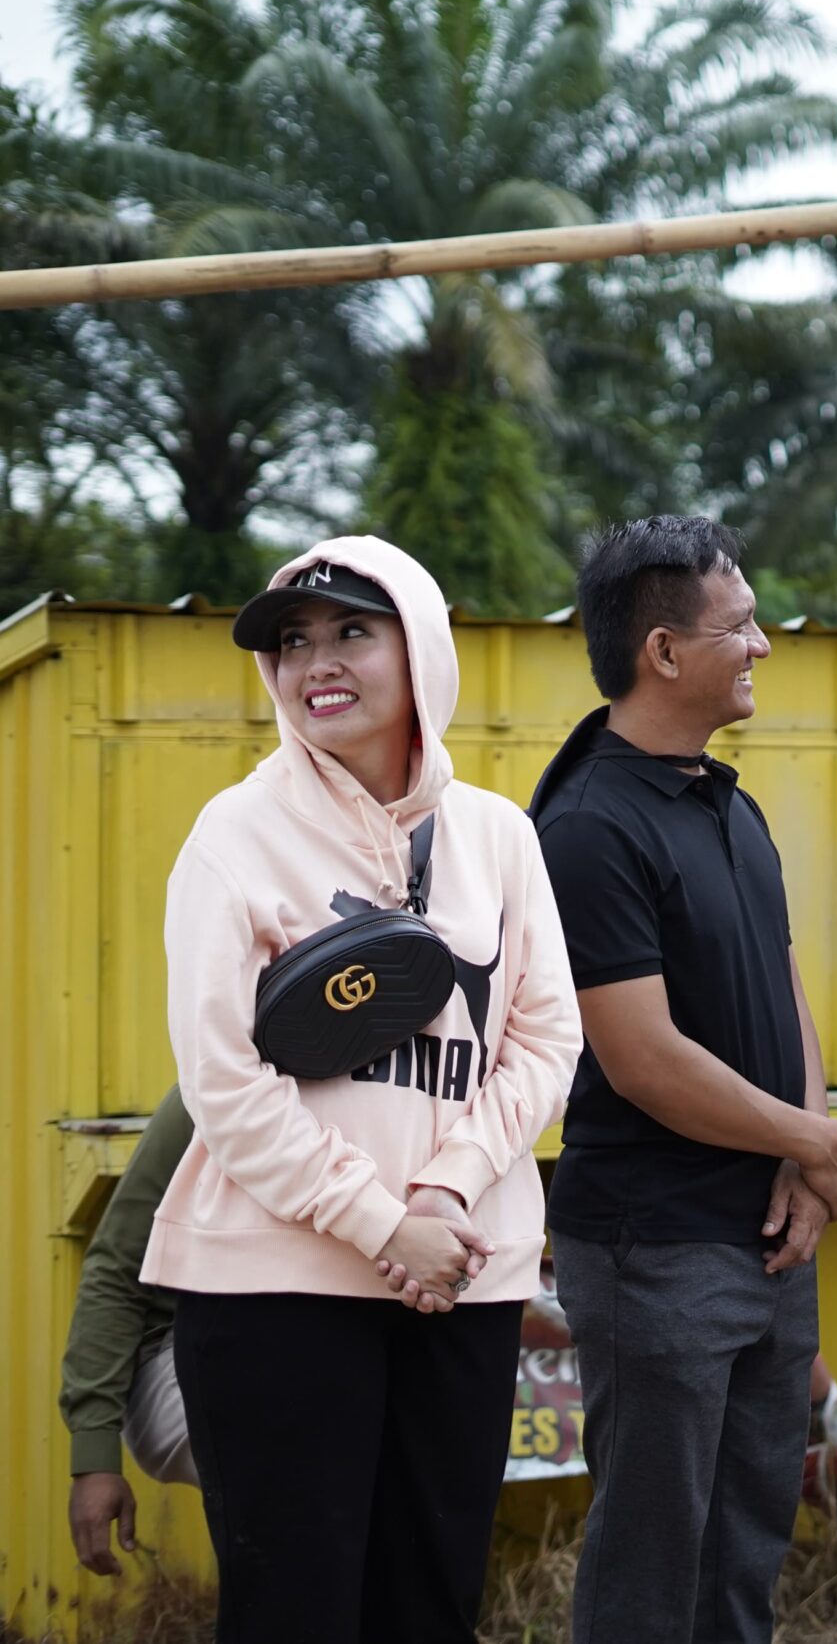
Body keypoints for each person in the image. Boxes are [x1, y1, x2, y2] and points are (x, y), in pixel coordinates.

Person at [141, 538, 582, 1643]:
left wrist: (446, 1190)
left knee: (429, 1605)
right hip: (274, 1287)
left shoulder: (499, 836)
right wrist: (381, 1222)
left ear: (420, 647)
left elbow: (544, 1038)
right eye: (292, 643)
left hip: (461, 1277)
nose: (317, 662)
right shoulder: (234, 834)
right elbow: (222, 1079)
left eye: (351, 631)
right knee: (295, 1610)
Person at [533, 517, 837, 1644]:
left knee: (744, 1550)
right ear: (665, 651)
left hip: (768, 1234)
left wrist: (808, 1154)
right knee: (652, 1559)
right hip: (657, 1247)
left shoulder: (728, 801)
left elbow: (785, 991)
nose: (763, 646)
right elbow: (642, 1058)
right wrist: (809, 1143)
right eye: (741, 627)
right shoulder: (588, 825)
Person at [61, 1089, 196, 1579]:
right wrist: (94, 1455)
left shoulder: (403, 1089)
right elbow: (118, 1268)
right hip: (177, 1356)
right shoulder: (217, 1084)